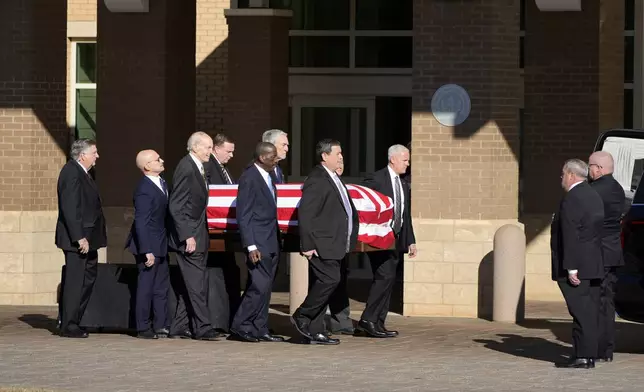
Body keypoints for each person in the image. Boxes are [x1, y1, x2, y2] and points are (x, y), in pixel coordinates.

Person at [291, 139, 359, 345]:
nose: (341, 157)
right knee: (330, 280)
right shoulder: (317, 179)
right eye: (337, 153)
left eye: (341, 153)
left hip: (335, 243)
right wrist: (308, 244)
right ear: (324, 156)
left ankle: (314, 329)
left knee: (327, 282)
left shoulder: (333, 177)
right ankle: (302, 315)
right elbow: (306, 213)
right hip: (322, 244)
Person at [357, 145, 416, 338]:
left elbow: (405, 214)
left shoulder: (402, 182)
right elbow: (364, 203)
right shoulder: (376, 179)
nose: (408, 164)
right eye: (405, 160)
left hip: (396, 239)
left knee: (389, 279)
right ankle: (367, 320)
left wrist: (410, 241)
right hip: (379, 238)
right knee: (384, 276)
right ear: (393, 159)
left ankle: (378, 322)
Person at [168, 131, 221, 341]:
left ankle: (179, 326)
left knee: (190, 284)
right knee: (197, 284)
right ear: (195, 147)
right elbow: (176, 205)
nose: (210, 151)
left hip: (199, 234)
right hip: (190, 238)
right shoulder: (186, 167)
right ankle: (203, 327)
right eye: (207, 147)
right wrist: (187, 235)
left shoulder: (199, 167)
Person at [551, 159, 604, 369]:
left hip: (577, 267)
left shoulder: (573, 198)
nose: (561, 178)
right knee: (588, 312)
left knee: (580, 312)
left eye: (563, 174)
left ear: (572, 175)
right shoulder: (593, 195)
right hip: (593, 264)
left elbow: (571, 235)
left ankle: (583, 356)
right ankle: (587, 354)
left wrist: (571, 267)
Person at [229, 142, 283, 343]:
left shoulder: (269, 176)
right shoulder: (250, 177)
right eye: (273, 156)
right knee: (258, 286)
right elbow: (244, 214)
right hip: (258, 243)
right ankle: (240, 326)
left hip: (271, 240)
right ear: (262, 157)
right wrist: (250, 245)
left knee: (266, 287)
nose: (276, 159)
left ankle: (259, 327)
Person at [55, 138, 106, 338]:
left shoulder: (84, 172)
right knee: (76, 281)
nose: (97, 156)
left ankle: (75, 318)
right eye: (94, 152)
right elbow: (70, 207)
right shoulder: (71, 172)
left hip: (90, 237)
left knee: (87, 278)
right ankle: (69, 324)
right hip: (78, 239)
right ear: (83, 155)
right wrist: (79, 237)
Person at [125, 150, 171, 339]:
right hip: (149, 246)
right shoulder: (144, 188)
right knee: (146, 287)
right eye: (157, 159)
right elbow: (141, 221)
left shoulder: (162, 183)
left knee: (161, 287)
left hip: (161, 244)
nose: (161, 161)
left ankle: (160, 324)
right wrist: (147, 250)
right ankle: (142, 327)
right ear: (147, 166)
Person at [588, 151, 626, 363]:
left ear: (599, 168)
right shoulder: (618, 189)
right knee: (607, 302)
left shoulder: (594, 190)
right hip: (612, 251)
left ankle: (596, 348)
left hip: (597, 252)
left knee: (595, 301)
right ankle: (607, 349)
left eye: (591, 166)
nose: (589, 170)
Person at [203, 133, 241, 333]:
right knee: (216, 274)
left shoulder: (224, 170)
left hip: (226, 232)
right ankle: (217, 321)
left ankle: (226, 319)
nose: (232, 155)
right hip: (214, 232)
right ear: (216, 149)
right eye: (229, 151)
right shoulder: (210, 167)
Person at [324, 161, 355, 336]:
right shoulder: (324, 183)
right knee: (326, 282)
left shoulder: (341, 185)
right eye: (338, 160)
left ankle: (341, 322)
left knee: (340, 281)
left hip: (342, 242)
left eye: (343, 162)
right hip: (328, 242)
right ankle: (316, 322)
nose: (341, 165)